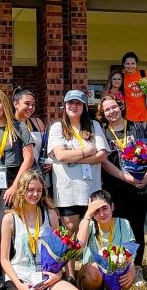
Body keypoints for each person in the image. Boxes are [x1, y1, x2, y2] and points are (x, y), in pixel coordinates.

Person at [0, 169, 84, 290]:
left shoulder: (50, 214)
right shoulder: (10, 218)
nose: (35, 194)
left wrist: (57, 275)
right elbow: (4, 260)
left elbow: (59, 250)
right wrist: (20, 286)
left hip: (46, 276)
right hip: (21, 277)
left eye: (39, 190)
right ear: (22, 191)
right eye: (30, 190)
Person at [96, 94, 147, 285]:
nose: (111, 112)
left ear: (121, 106)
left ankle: (136, 269)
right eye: (107, 110)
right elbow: (103, 161)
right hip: (114, 186)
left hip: (138, 186)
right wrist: (125, 177)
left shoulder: (136, 127)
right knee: (116, 227)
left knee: (137, 228)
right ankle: (116, 265)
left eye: (114, 107)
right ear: (102, 113)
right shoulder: (101, 131)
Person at [0, 86, 35, 267]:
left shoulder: (19, 127)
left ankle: (12, 271)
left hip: (12, 178)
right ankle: (2, 275)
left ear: (4, 104)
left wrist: (14, 186)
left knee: (6, 227)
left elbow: (28, 158)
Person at [46, 89, 108, 234]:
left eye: (78, 103)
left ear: (84, 107)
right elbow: (61, 156)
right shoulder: (57, 127)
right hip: (67, 191)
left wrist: (72, 157)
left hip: (91, 189)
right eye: (70, 103)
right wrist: (86, 152)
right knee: (71, 232)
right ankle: (72, 259)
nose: (74, 106)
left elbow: (102, 156)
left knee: (91, 232)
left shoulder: (94, 126)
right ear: (65, 105)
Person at [75, 189, 137, 290]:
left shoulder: (123, 224)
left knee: (126, 271)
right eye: (96, 210)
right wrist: (87, 216)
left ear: (112, 207)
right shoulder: (88, 224)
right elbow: (78, 248)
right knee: (93, 270)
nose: (101, 213)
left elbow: (129, 255)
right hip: (93, 277)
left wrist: (132, 269)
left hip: (113, 275)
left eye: (104, 208)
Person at [121, 51, 147, 123]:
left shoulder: (143, 74)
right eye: (127, 64)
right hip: (128, 116)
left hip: (144, 114)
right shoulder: (122, 77)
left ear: (136, 64)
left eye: (133, 63)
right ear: (123, 64)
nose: (130, 66)